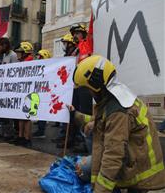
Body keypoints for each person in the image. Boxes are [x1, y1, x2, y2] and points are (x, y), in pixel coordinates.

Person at [73, 55, 165, 192]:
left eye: (88, 89)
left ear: (96, 84)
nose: (89, 93)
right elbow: (97, 122)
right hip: (135, 159)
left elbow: (113, 156)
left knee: (86, 168)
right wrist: (74, 114)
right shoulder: (115, 97)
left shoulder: (118, 110)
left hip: (140, 171)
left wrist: (100, 190)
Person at [12, 42, 34, 146]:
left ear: (25, 53)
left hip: (30, 93)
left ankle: (27, 138)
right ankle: (21, 136)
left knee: (27, 117)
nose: (17, 54)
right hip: (21, 91)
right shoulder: (21, 62)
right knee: (20, 116)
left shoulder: (30, 61)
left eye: (19, 52)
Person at [32, 49, 52, 138]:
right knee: (39, 111)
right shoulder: (40, 68)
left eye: (40, 57)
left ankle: (41, 131)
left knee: (42, 111)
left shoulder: (48, 69)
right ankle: (40, 129)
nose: (38, 59)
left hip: (44, 94)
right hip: (39, 92)